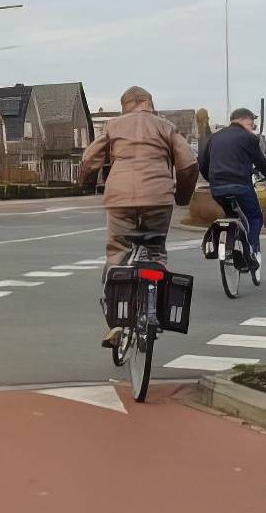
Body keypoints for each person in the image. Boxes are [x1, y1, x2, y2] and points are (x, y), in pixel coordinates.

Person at [79, 86, 198, 346]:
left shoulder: (113, 125)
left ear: (125, 107)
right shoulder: (165, 126)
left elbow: (89, 160)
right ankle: (155, 310)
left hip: (120, 200)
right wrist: (181, 198)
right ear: (149, 102)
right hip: (158, 198)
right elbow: (188, 164)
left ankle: (115, 325)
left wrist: (86, 184)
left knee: (118, 253)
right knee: (155, 252)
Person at [199, 108, 266, 271]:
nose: (252, 128)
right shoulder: (248, 138)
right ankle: (249, 250)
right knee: (255, 217)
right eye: (251, 124)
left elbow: (203, 164)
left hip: (217, 188)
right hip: (241, 186)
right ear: (242, 120)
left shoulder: (213, 138)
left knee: (232, 214)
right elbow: (261, 162)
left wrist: (213, 180)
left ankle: (231, 243)